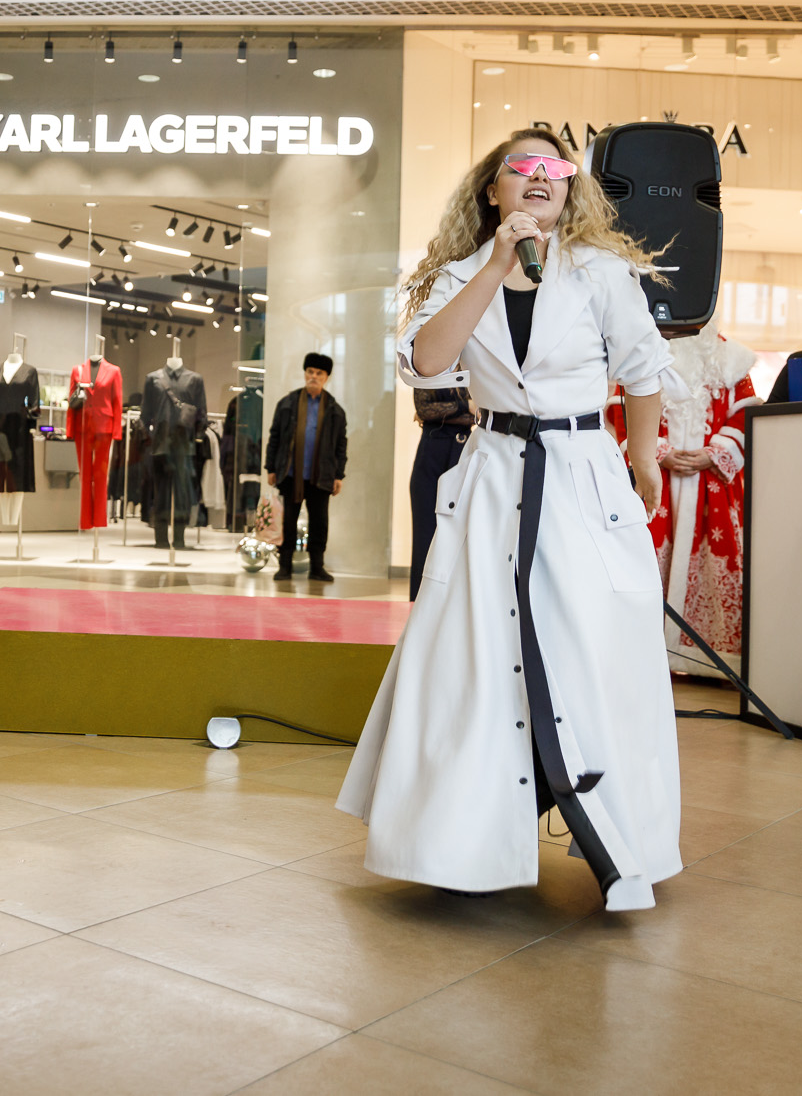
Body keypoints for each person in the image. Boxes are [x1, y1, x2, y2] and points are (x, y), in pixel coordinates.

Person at [337, 129, 683, 912]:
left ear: (571, 187)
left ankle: (618, 836)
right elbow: (429, 362)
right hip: (493, 476)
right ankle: (460, 840)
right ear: (492, 190)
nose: (539, 176)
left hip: (582, 475)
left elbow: (642, 371)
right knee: (474, 655)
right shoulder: (463, 273)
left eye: (554, 167)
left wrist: (643, 458)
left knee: (592, 653)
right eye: (519, 167)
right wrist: (496, 265)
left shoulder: (601, 272)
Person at [616, 318, 758, 678]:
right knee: (646, 563)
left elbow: (746, 415)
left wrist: (716, 452)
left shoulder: (731, 358)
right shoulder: (642, 351)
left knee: (715, 568)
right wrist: (656, 451)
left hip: (713, 486)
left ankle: (712, 662)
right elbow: (620, 409)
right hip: (656, 480)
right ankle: (644, 657)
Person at [265, 353, 347, 582]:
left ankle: (317, 568)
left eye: (319, 373)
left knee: (319, 523)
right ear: (305, 373)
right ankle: (285, 566)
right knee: (287, 522)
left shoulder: (334, 409)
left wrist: (338, 475)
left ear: (326, 377)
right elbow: (275, 436)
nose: (314, 376)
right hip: (290, 475)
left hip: (321, 476)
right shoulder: (287, 403)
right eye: (310, 372)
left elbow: (341, 445)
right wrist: (271, 467)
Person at [407, 386, 474, 600]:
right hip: (430, 455)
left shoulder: (472, 372)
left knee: (460, 537)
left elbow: (480, 415)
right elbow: (425, 409)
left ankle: (453, 604)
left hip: (463, 453)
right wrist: (466, 406)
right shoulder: (427, 373)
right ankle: (419, 603)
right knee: (424, 535)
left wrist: (444, 413)